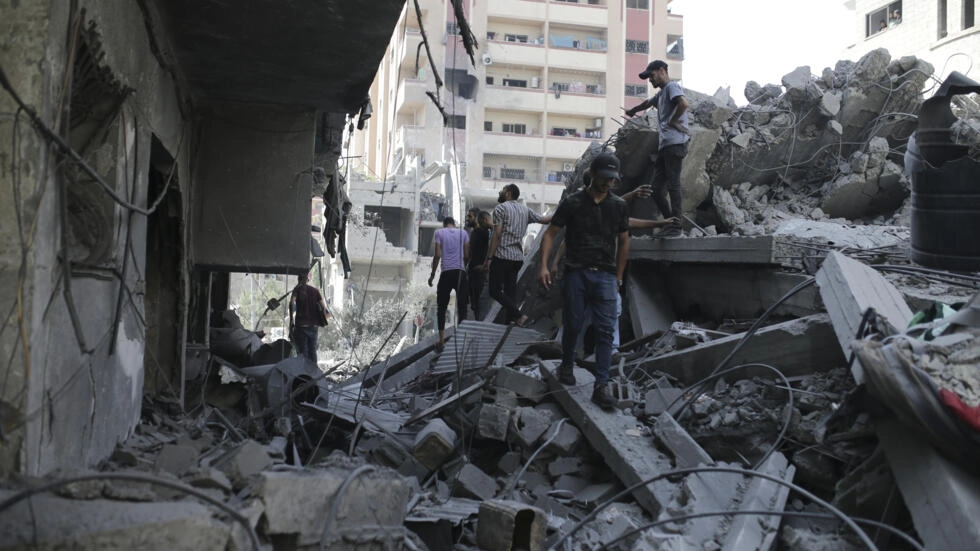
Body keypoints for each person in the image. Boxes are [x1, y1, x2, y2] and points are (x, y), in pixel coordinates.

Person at [538, 152, 630, 410]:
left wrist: (619, 276)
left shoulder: (618, 206)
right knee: (573, 324)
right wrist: (544, 266)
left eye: (612, 179)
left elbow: (624, 241)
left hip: (606, 276)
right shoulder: (573, 203)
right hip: (576, 273)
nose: (609, 182)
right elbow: (551, 234)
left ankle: (601, 387)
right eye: (605, 177)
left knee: (605, 330)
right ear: (592, 174)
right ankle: (567, 365)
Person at [548, 182, 678, 361]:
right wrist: (555, 262)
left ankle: (607, 350)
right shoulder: (584, 213)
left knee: (609, 311)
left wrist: (659, 222)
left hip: (603, 275)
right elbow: (565, 241)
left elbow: (628, 219)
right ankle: (566, 349)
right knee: (581, 313)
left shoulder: (609, 213)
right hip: (583, 273)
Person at [625, 59, 690, 237]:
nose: (650, 80)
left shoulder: (672, 87)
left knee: (673, 185)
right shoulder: (661, 94)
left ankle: (676, 226)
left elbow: (683, 103)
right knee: (655, 189)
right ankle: (670, 222)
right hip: (666, 146)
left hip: (675, 144)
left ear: (662, 71)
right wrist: (633, 110)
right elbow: (647, 103)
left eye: (652, 76)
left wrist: (673, 121)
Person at [483, 183, 552, 325]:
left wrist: (489, 258)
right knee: (510, 293)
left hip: (502, 256)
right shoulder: (525, 210)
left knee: (494, 291)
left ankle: (519, 315)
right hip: (517, 259)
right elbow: (544, 220)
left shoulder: (500, 208)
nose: (500, 192)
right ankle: (510, 322)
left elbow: (497, 234)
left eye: (503, 190)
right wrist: (562, 210)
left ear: (508, 193)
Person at [429, 216, 470, 350]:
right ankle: (462, 341)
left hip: (446, 273)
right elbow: (466, 255)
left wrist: (432, 274)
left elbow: (437, 255)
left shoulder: (439, 233)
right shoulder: (463, 233)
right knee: (462, 307)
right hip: (460, 273)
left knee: (441, 308)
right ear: (453, 224)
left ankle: (441, 341)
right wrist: (462, 267)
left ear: (444, 224)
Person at [289, 272, 329, 364]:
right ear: (308, 280)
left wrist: (291, 319)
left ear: (299, 279)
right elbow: (323, 307)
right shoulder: (315, 291)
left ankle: (304, 371)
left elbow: (291, 303)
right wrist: (320, 319)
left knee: (303, 351)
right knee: (312, 350)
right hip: (314, 326)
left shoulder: (297, 289)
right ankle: (313, 370)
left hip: (301, 325)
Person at [467, 210, 492, 320]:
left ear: (477, 218)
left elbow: (490, 250)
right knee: (475, 304)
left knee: (479, 304)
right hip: (473, 273)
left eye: (470, 216)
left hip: (480, 273)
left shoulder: (484, 233)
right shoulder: (475, 233)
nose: (468, 219)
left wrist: (484, 266)